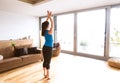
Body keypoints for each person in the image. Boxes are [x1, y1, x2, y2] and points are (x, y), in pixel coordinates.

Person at [41, 11, 54, 80]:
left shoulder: (44, 32)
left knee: (45, 61)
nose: (49, 25)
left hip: (44, 47)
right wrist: (50, 17)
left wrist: (48, 17)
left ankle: (44, 74)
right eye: (48, 25)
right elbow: (52, 24)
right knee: (48, 62)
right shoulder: (49, 31)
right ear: (47, 26)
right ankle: (48, 76)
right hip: (49, 48)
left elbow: (44, 24)